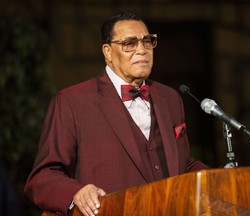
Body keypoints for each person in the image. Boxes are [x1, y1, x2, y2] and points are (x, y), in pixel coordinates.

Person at [24, 12, 208, 216]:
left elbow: (181, 163)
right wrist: (76, 193)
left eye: (147, 41)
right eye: (130, 43)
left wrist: (220, 177)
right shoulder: (72, 102)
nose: (142, 50)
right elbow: (43, 177)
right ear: (108, 52)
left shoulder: (170, 98)